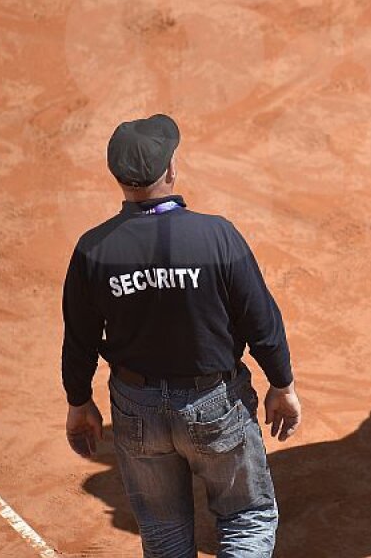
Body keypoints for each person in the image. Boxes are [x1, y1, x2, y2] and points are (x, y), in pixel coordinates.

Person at [61, 113, 303, 557]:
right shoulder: (216, 236)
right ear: (170, 170)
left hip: (136, 411)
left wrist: (79, 401)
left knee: (165, 532)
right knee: (245, 519)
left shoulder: (92, 249)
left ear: (118, 177)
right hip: (214, 403)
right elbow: (260, 319)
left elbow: (79, 338)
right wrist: (281, 384)